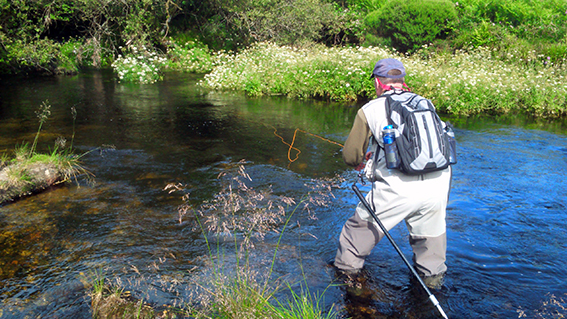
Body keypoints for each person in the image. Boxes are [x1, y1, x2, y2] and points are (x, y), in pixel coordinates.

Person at [334, 58, 452, 288]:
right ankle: (431, 293)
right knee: (431, 255)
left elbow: (351, 157)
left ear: (378, 83)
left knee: (353, 236)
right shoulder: (425, 103)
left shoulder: (370, 109)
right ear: (402, 81)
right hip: (439, 184)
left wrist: (360, 160)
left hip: (399, 188)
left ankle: (350, 289)